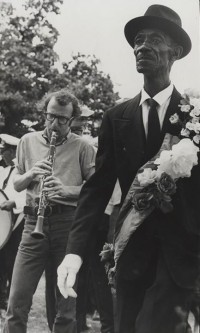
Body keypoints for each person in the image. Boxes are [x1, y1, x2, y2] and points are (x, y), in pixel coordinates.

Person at [57, 5, 200, 333]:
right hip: (131, 253)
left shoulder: (194, 117)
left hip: (179, 259)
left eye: (154, 39)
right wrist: (74, 253)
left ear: (175, 52)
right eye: (138, 40)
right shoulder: (116, 117)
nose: (142, 47)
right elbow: (97, 188)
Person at [3, 89, 96, 333]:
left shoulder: (83, 147)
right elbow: (17, 184)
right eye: (50, 116)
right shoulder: (27, 141)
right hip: (33, 221)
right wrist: (32, 174)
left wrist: (66, 190)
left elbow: (95, 190)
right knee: (17, 302)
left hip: (67, 225)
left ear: (72, 119)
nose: (54, 124)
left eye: (62, 119)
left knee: (66, 308)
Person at [0, 134, 26, 315]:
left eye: (5, 151)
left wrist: (14, 204)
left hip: (18, 225)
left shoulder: (23, 172)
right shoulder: (2, 171)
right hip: (2, 227)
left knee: (12, 266)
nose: (2, 154)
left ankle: (12, 305)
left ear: (13, 151)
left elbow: (26, 197)